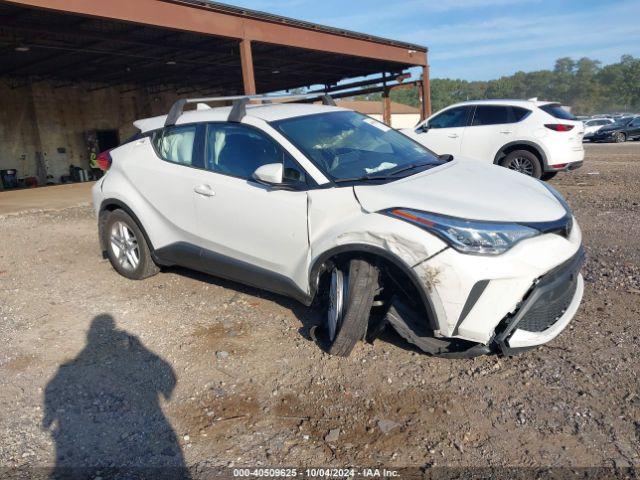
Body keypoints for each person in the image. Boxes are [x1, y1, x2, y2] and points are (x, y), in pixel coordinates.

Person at [43, 315, 189, 479]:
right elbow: (169, 380)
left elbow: (54, 390)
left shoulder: (71, 367)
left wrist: (49, 417)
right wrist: (139, 348)